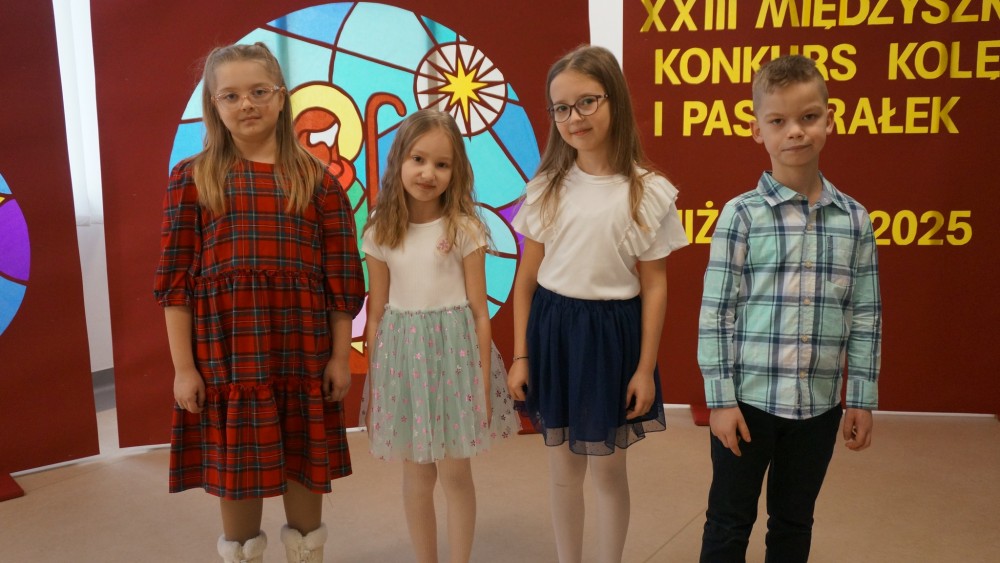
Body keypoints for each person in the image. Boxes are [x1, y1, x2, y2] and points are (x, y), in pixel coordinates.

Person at [154, 42, 365, 563]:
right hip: (228, 358)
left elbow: (341, 282)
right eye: (231, 95)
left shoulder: (318, 182)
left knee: (302, 462)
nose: (246, 103)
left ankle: (306, 552)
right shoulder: (191, 179)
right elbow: (176, 285)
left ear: (281, 96)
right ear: (214, 104)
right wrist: (184, 368)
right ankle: (244, 553)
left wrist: (340, 357)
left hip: (302, 352)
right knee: (237, 469)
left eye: (258, 91)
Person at [697, 54, 883, 562]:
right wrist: (720, 400)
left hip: (818, 407)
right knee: (728, 521)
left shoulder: (855, 220)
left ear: (829, 120)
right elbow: (716, 313)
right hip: (747, 402)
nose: (795, 131)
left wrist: (861, 396)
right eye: (778, 121)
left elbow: (865, 314)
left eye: (808, 117)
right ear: (757, 129)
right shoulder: (741, 216)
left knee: (794, 522)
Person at [508, 45, 689, 563]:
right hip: (553, 330)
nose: (574, 118)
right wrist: (521, 355)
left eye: (587, 102)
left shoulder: (648, 191)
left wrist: (645, 370)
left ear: (615, 100)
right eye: (561, 108)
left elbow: (655, 286)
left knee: (608, 469)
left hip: (612, 335)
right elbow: (526, 280)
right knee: (563, 469)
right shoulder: (547, 187)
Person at [361, 108, 520, 563]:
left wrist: (481, 379)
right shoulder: (380, 230)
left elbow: (480, 313)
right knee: (416, 475)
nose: (428, 173)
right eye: (418, 159)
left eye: (442, 164)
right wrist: (378, 383)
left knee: (455, 474)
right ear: (399, 160)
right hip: (403, 360)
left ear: (457, 171)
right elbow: (377, 313)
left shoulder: (463, 228)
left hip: (453, 358)